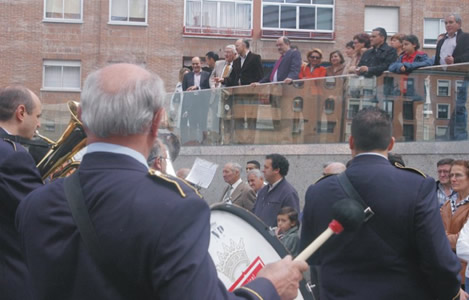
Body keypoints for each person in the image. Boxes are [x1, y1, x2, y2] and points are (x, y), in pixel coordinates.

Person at [15, 63, 308, 300]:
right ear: (157, 122)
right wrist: (267, 287)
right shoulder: (176, 208)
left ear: (81, 116)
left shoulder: (33, 205)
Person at [301, 107, 463, 300]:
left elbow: (313, 257)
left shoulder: (317, 191)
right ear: (391, 143)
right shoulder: (417, 186)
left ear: (351, 142)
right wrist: (453, 292)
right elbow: (438, 260)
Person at [0, 86, 43, 300]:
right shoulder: (13, 156)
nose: (39, 124)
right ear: (21, 112)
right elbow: (38, 214)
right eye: (37, 116)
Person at [441, 160, 469, 287]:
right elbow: (435, 230)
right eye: (451, 175)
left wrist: (441, 238)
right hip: (446, 270)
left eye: (458, 175)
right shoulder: (448, 203)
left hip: (464, 273)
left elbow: (464, 239)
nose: (452, 179)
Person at [253, 154, 300, 227]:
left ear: (276, 170)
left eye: (266, 167)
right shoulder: (263, 191)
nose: (263, 170)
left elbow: (293, 224)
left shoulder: (288, 193)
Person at [181, 57, 210, 144]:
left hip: (203, 103)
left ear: (201, 63)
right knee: (193, 123)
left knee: (203, 123)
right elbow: (184, 89)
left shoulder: (207, 75)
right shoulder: (187, 76)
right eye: (193, 64)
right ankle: (194, 141)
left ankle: (204, 141)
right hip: (192, 104)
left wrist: (197, 88)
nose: (195, 66)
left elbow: (209, 88)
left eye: (196, 64)